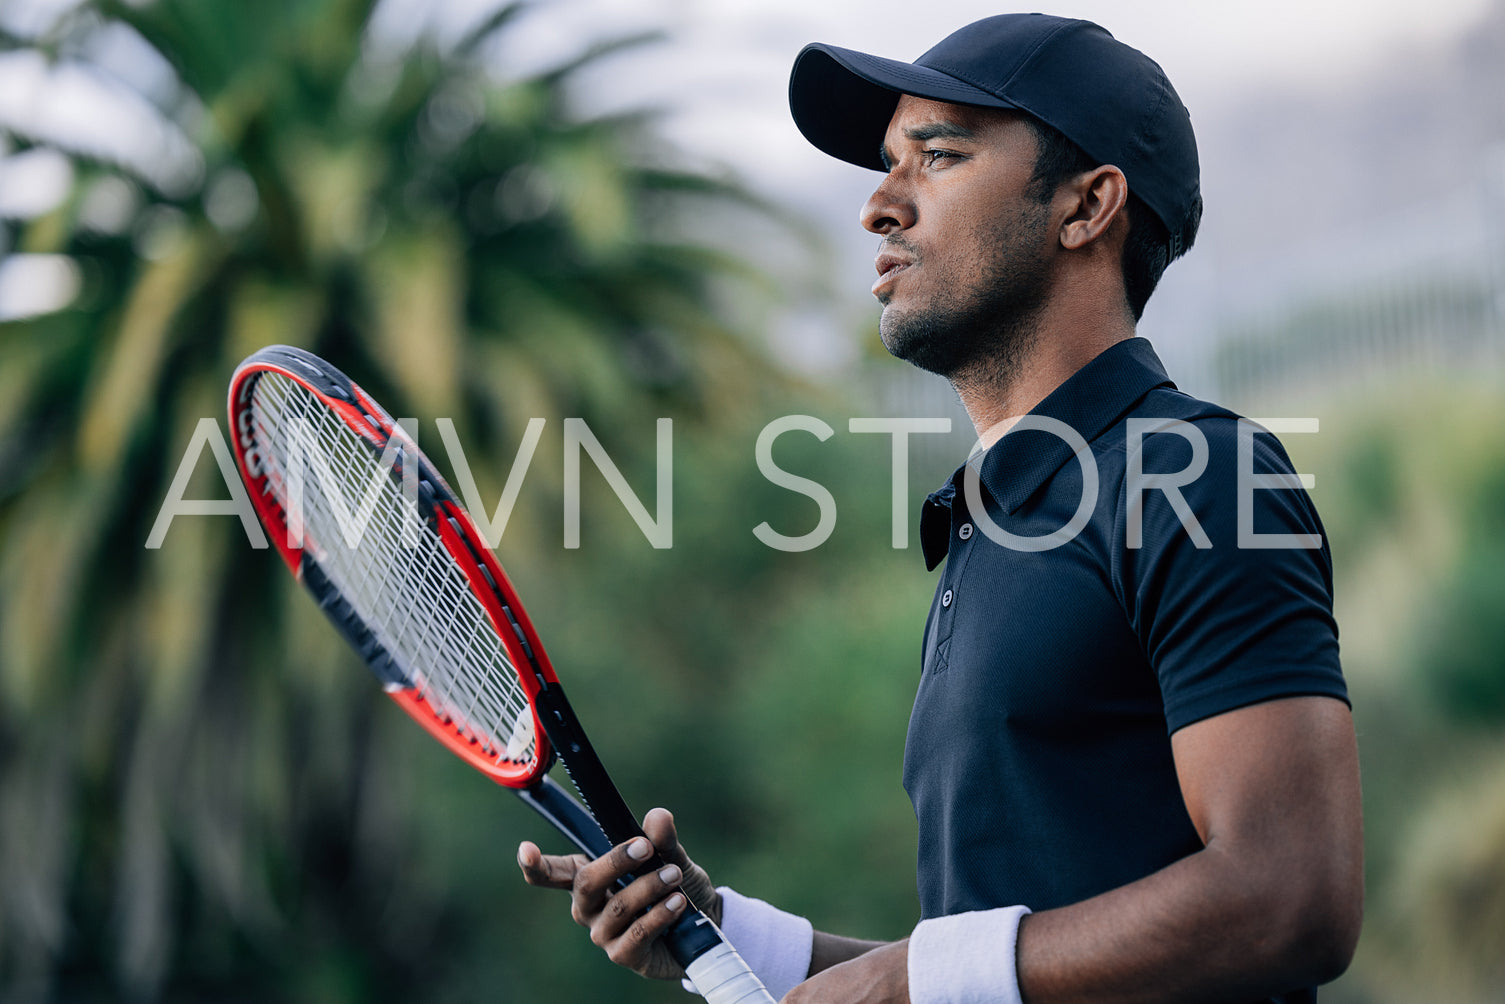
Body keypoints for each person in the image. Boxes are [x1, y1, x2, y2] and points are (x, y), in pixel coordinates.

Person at [518, 14, 1364, 1004]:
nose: (879, 205)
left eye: (938, 155)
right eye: (886, 164)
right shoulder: (992, 521)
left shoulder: (1194, 475)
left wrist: (911, 978)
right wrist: (724, 935)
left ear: (1086, 205)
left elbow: (1287, 896)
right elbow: (1016, 957)